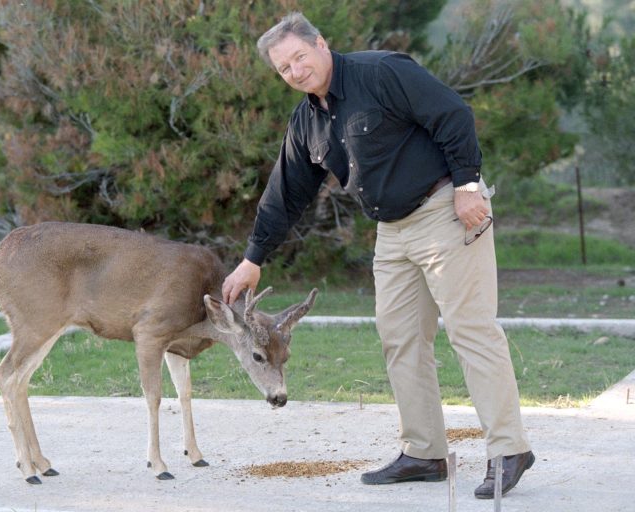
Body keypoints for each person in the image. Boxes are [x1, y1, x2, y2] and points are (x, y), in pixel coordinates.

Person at [222, 12, 534, 499]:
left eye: (299, 57)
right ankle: (425, 453)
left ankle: (509, 449)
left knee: (472, 330)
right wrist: (253, 257)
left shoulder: (382, 72)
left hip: (445, 210)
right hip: (391, 232)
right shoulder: (307, 121)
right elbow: (286, 193)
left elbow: (453, 114)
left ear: (321, 44)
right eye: (283, 68)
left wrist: (468, 185)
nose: (295, 71)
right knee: (399, 338)